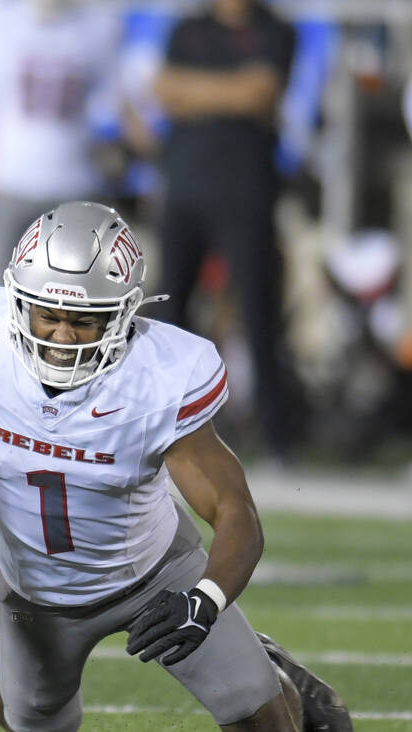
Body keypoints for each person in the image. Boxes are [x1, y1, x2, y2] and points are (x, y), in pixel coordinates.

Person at [0, 201, 353, 732]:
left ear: (125, 314)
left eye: (85, 319)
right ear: (17, 304)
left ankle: (271, 665)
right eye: (47, 314)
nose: (62, 335)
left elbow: (236, 513)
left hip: (157, 571)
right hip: (39, 588)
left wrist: (203, 602)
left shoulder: (162, 372)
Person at [151, 0, 298, 461]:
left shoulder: (276, 30)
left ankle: (276, 439)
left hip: (246, 190)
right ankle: (154, 425)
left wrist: (196, 92)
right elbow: (163, 89)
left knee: (259, 315)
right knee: (167, 314)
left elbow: (260, 92)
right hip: (185, 189)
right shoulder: (188, 29)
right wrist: (229, 90)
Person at [0, 0, 124, 283]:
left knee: (69, 300)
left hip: (74, 189)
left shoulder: (99, 24)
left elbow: (116, 104)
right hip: (7, 185)